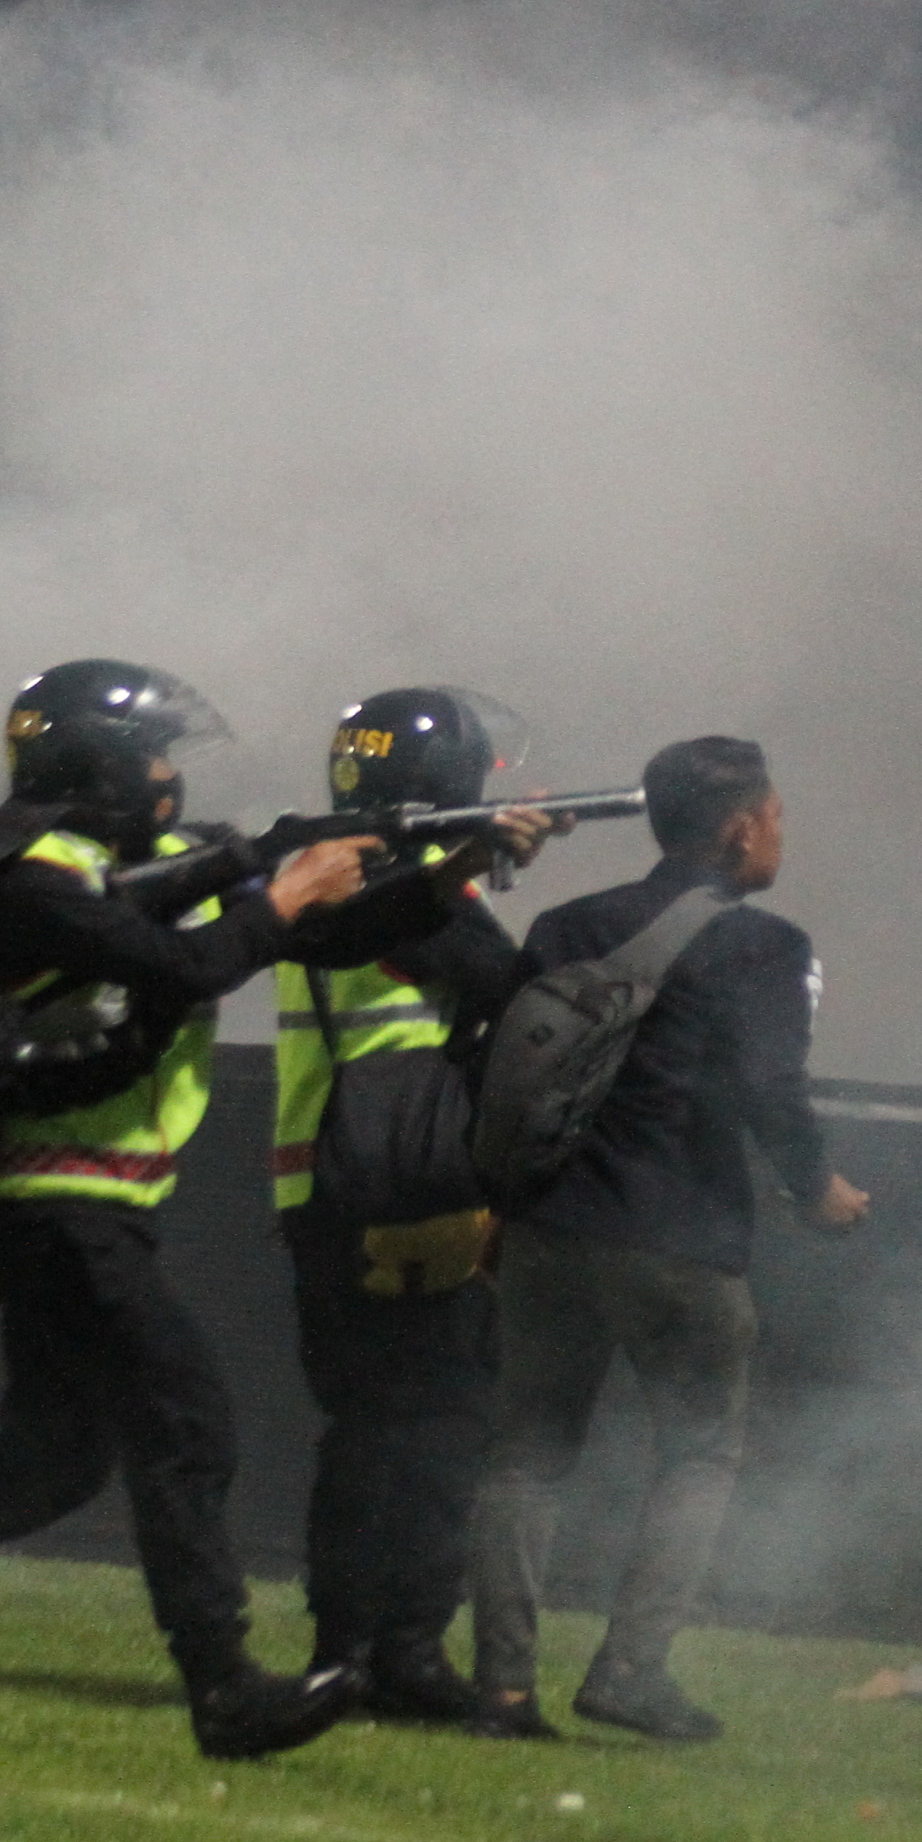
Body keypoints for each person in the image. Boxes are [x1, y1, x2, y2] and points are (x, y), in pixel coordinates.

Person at [0, 660, 449, 1761]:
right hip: (47, 1202)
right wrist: (281, 890)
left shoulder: (118, 872)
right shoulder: (29, 886)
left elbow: (320, 937)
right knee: (185, 1421)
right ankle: (224, 1685)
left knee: (53, 1463)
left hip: (83, 1204)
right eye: (154, 756)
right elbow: (188, 963)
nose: (168, 777)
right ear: (103, 769)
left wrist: (449, 870)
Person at [466, 735, 867, 1744]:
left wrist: (501, 1206)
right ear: (738, 829)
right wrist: (816, 1188)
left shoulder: (568, 925)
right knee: (699, 1456)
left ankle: (503, 1691)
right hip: (679, 1235)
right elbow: (770, 1087)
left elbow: (507, 1073)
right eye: (775, 818)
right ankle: (630, 1673)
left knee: (527, 1457)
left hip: (551, 1226)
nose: (779, 837)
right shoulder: (764, 946)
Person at [269, 688, 561, 1726]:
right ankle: (389, 1651)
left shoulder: (333, 867)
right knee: (431, 1428)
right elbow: (514, 985)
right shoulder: (397, 881)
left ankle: (362, 1649)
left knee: (379, 1429)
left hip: (332, 1180)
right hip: (400, 1184)